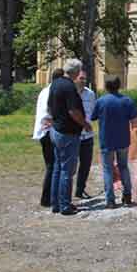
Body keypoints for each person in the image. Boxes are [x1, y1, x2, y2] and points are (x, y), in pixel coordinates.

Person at [47, 59, 91, 216]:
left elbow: (50, 106)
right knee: (67, 170)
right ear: (76, 71)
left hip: (56, 130)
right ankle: (65, 205)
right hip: (68, 133)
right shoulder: (69, 87)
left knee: (58, 168)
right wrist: (85, 123)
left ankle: (56, 203)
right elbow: (73, 111)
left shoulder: (56, 83)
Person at [93, 76, 137, 208]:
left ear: (106, 86)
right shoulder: (127, 101)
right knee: (123, 166)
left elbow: (93, 116)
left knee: (108, 169)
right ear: (119, 86)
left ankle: (110, 200)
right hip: (123, 140)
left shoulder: (101, 101)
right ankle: (127, 196)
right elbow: (134, 122)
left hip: (106, 140)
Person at [32, 68, 63, 208]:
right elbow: (48, 113)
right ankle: (47, 198)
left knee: (51, 166)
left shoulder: (45, 90)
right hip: (48, 132)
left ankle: (50, 197)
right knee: (52, 166)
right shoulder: (53, 92)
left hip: (43, 132)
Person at [74, 69, 98, 201]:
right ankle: (65, 192)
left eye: (84, 78)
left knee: (86, 164)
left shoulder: (90, 94)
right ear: (75, 78)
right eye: (81, 78)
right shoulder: (69, 93)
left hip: (87, 136)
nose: (83, 81)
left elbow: (94, 112)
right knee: (70, 166)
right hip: (73, 136)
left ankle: (80, 190)